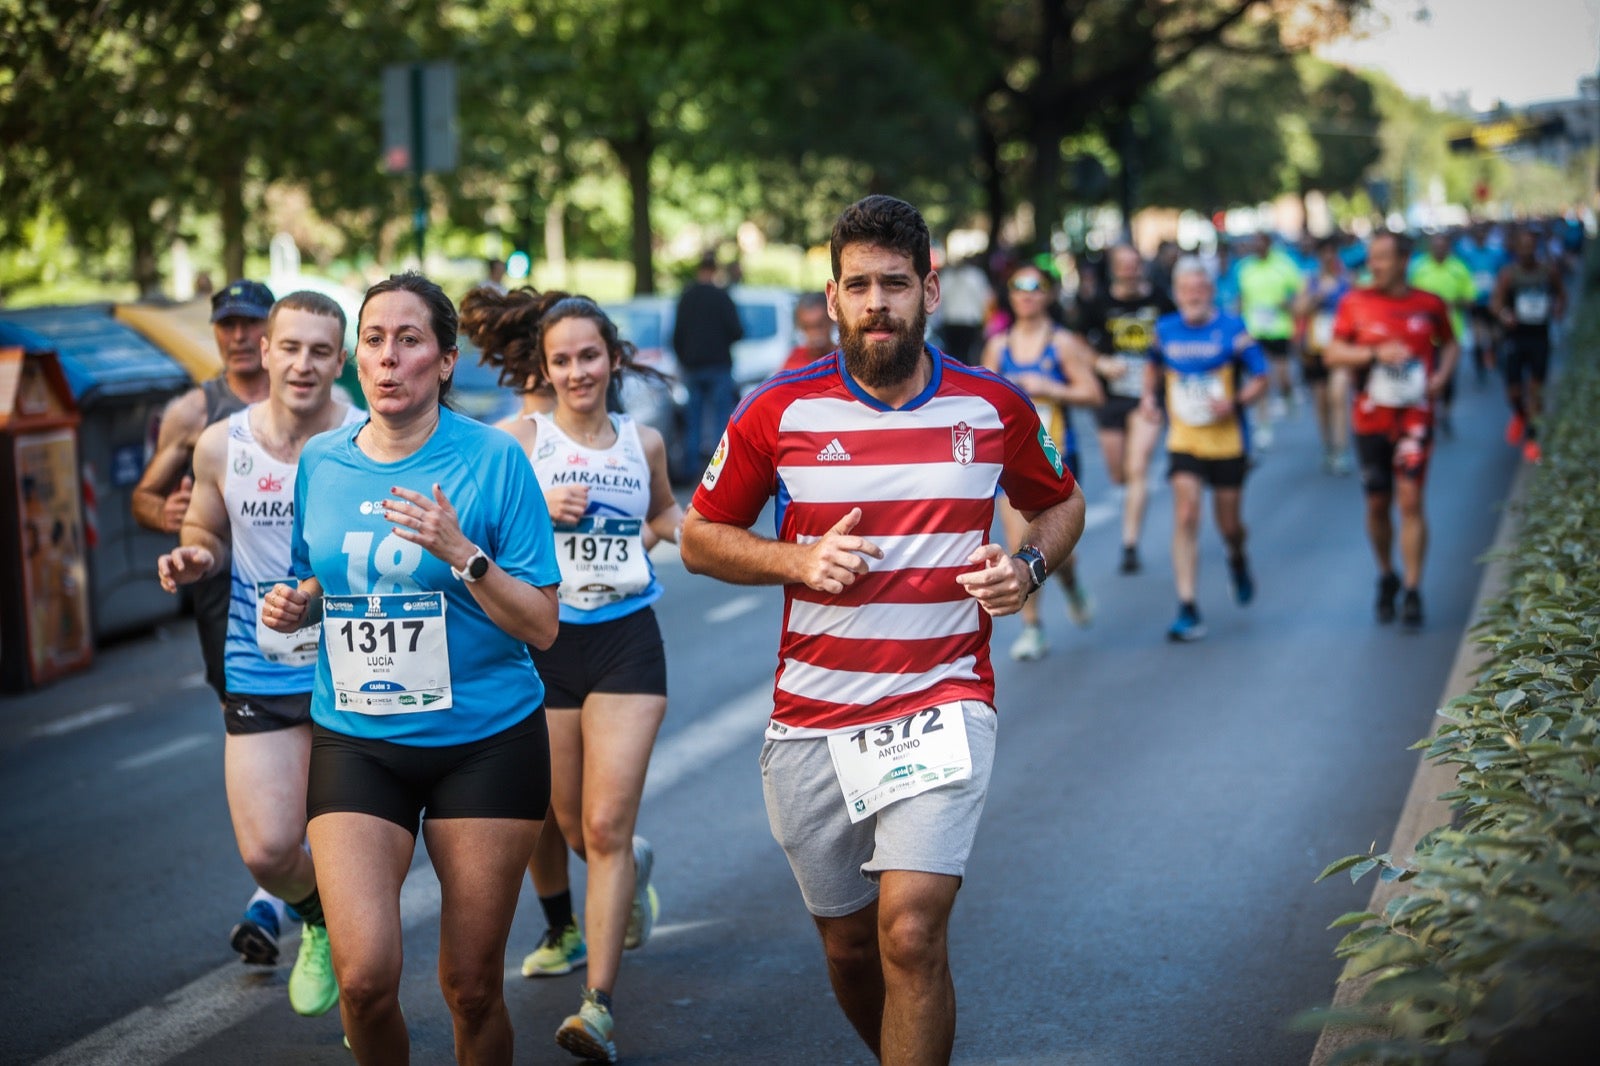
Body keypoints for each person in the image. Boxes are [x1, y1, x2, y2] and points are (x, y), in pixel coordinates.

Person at [680, 195, 1085, 1066]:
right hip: (814, 717)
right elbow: (699, 539)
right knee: (851, 948)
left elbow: (1058, 503)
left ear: (930, 290)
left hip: (944, 701)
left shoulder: (991, 406)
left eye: (894, 284)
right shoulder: (777, 411)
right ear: (831, 296)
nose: (876, 304)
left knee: (908, 934)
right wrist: (797, 562)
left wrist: (1027, 569)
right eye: (857, 285)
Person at [261, 273, 561, 1065]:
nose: (387, 359)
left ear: (447, 359)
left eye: (409, 340)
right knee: (363, 981)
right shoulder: (322, 461)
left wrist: (462, 553)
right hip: (358, 739)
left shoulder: (492, 461)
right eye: (374, 340)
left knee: (469, 987)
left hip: (485, 741)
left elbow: (543, 623)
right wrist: (299, 602)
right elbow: (317, 572)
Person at [461, 287, 681, 1064]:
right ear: (544, 370)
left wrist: (686, 532)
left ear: (613, 358)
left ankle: (598, 1007)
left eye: (591, 355)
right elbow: (474, 531)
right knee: (558, 816)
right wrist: (540, 509)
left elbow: (661, 516)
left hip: (626, 640)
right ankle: (607, 891)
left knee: (604, 826)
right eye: (563, 360)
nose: (579, 371)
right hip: (547, 645)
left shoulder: (642, 442)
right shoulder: (517, 442)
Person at [155, 291, 363, 1017]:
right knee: (270, 852)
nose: (303, 364)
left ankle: (368, 1002)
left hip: (356, 669)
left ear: (342, 360)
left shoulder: (368, 440)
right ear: (265, 353)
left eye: (321, 350)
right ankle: (319, 920)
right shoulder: (221, 444)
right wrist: (193, 557)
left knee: (352, 848)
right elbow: (207, 532)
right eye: (291, 347)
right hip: (258, 661)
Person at [130, 278, 291, 961]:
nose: (239, 337)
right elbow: (145, 496)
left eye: (252, 324)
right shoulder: (195, 411)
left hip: (310, 588)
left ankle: (281, 896)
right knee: (265, 744)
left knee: (320, 737)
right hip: (225, 596)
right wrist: (168, 517)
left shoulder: (308, 405)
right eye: (227, 325)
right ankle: (285, 882)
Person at [1324, 231, 1458, 629]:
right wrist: (1372, 353)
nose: (1374, 266)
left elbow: (1449, 344)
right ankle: (1387, 573)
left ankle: (1414, 589)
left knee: (1411, 500)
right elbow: (1332, 352)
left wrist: (1441, 377)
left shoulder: (1428, 304)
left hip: (1415, 417)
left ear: (1403, 260)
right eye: (1371, 259)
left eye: (1382, 258)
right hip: (1370, 419)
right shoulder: (1354, 302)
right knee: (1377, 505)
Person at [1142, 257, 1268, 643]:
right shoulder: (1164, 330)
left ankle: (1237, 556)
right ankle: (1187, 605)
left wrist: (1237, 402)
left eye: (1200, 289)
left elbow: (1261, 376)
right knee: (1187, 512)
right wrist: (1149, 397)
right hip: (1185, 439)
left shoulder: (1233, 329)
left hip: (1228, 440)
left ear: (1211, 292)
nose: (1193, 296)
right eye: (1186, 290)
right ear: (1176, 293)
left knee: (1229, 525)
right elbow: (1152, 365)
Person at [982, 261, 1102, 661]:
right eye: (1018, 286)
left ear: (1047, 294)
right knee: (1020, 543)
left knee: (1056, 550)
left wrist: (1050, 388)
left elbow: (1093, 393)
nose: (1026, 293)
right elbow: (979, 402)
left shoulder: (1061, 343)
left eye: (1035, 286)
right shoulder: (998, 348)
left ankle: (1069, 581)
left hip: (1057, 457)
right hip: (1010, 463)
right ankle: (1033, 629)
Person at [1075, 244, 1175, 573]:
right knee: (1118, 472)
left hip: (1147, 394)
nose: (1130, 270)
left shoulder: (1159, 299)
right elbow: (1076, 341)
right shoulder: (1099, 301)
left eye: (1135, 264)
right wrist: (1100, 362)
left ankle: (1129, 544)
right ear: (1115, 268)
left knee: (1137, 468)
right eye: (1124, 265)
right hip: (1111, 396)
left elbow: (1176, 334)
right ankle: (1129, 512)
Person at [1490, 228, 1566, 464]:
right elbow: (1496, 302)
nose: (1526, 251)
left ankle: (1533, 440)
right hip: (1515, 338)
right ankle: (1520, 415)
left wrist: (1558, 309)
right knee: (1513, 391)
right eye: (1522, 246)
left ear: (1537, 247)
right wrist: (1504, 315)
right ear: (1516, 249)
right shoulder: (1509, 275)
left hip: (1539, 337)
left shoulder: (1547, 272)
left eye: (1530, 246)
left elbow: (1562, 295)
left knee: (1536, 389)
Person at [673, 252, 744, 467]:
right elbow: (737, 331)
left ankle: (691, 466)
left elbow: (677, 334)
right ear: (714, 271)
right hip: (719, 365)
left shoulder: (686, 297)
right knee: (721, 418)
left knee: (692, 419)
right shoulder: (722, 297)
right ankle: (720, 466)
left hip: (693, 367)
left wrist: (684, 358)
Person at [1235, 233, 1303, 443]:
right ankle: (1264, 424)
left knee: (1282, 376)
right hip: (1255, 329)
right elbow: (1241, 298)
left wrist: (1290, 306)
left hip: (1279, 328)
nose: (1258, 247)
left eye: (1261, 243)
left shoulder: (1284, 264)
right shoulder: (1245, 268)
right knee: (1261, 376)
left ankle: (1288, 393)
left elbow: (1300, 291)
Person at [1294, 238, 1354, 475]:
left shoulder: (1348, 281)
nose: (1329, 257)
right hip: (1315, 350)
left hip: (1340, 350)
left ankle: (1341, 448)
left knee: (1338, 396)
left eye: (1333, 252)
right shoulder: (1310, 282)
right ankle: (1328, 444)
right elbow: (1297, 310)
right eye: (1324, 253)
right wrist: (1316, 297)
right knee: (1322, 402)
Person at [1407, 232, 1475, 437]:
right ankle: (1428, 415)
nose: (1439, 249)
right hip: (1424, 336)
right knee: (1425, 376)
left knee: (1448, 378)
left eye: (1442, 245)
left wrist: (1453, 303)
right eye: (1435, 245)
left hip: (1451, 336)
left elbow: (1471, 299)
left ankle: (1446, 412)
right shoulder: (1418, 267)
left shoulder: (1459, 268)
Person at [1456, 222, 1506, 384]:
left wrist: (1499, 297)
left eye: (1483, 234)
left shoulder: (1496, 253)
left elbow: (1502, 276)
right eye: (1477, 234)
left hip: (1492, 302)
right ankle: (1480, 370)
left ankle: (1494, 359)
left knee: (1495, 335)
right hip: (1475, 303)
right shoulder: (1466, 255)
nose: (1480, 237)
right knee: (1477, 337)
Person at [937, 256, 992, 366]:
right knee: (966, 356)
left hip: (954, 322)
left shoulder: (947, 276)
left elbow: (939, 299)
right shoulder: (976, 276)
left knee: (954, 356)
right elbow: (986, 300)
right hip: (965, 322)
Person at [779, 292, 835, 374]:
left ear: (831, 321)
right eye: (807, 327)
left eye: (819, 326)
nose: (814, 333)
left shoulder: (845, 359)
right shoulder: (794, 361)